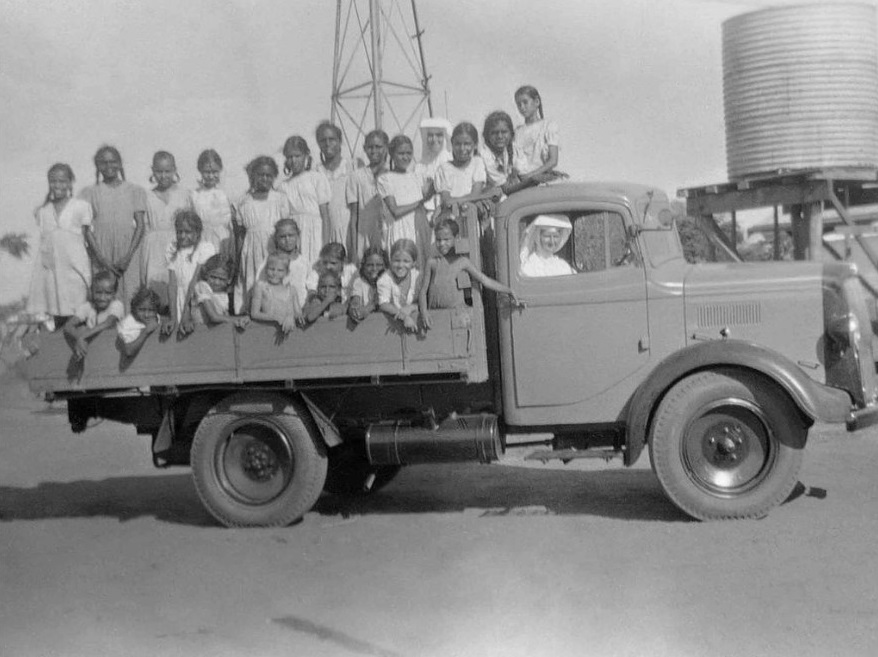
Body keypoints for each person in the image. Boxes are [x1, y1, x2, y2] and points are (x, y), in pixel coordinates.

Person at [419, 218, 519, 329]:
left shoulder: (462, 262)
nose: (442, 244)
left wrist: (508, 290)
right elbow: (423, 290)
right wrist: (424, 311)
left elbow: (484, 280)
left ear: (456, 238)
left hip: (456, 317)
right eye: (438, 240)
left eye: (446, 239)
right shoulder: (432, 262)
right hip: (436, 316)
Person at [80, 145, 147, 308]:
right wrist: (102, 259)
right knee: (104, 295)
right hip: (101, 251)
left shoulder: (134, 190)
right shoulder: (89, 193)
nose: (109, 166)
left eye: (113, 162)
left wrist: (128, 256)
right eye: (103, 163)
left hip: (129, 251)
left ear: (120, 163)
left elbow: (140, 226)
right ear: (97, 166)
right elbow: (86, 230)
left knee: (131, 292)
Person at [27, 163, 93, 328]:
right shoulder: (43, 212)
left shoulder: (81, 206)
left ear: (71, 183)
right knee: (58, 316)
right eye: (53, 181)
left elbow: (89, 241)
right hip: (54, 275)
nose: (58, 185)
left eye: (62, 181)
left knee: (79, 315)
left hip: (76, 271)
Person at [233, 156, 293, 313]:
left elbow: (286, 230)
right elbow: (240, 235)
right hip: (251, 252)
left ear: (274, 177)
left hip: (273, 250)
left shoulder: (280, 199)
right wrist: (239, 259)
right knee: (253, 284)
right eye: (260, 175)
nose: (265, 179)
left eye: (269, 175)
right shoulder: (244, 202)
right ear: (253, 176)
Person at [141, 151, 193, 310]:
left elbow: (192, 223)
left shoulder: (184, 194)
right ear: (153, 171)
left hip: (178, 244)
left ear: (174, 170)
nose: (163, 176)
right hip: (153, 248)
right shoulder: (146, 196)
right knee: (155, 288)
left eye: (167, 171)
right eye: (159, 171)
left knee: (178, 285)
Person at [278, 135, 331, 270]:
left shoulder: (317, 178)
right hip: (294, 234)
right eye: (290, 157)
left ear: (306, 155)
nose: (294, 160)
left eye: (297, 156)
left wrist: (325, 247)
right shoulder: (283, 186)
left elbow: (325, 215)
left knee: (315, 269)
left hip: (315, 231)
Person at [161, 210, 216, 337]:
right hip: (179, 299)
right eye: (179, 232)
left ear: (197, 233)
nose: (183, 236)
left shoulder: (205, 248)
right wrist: (173, 318)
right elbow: (172, 286)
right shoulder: (173, 249)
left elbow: (194, 283)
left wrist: (187, 315)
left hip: (196, 299)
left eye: (188, 232)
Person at [378, 134, 433, 257]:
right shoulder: (385, 179)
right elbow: (395, 211)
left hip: (419, 228)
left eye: (409, 153)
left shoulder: (416, 176)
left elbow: (428, 200)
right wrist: (421, 202)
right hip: (399, 231)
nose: (405, 157)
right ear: (392, 154)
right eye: (401, 153)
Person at [346, 129, 389, 263]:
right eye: (370, 147)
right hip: (364, 237)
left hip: (387, 236)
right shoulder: (356, 176)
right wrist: (353, 250)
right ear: (364, 149)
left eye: (378, 147)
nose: (374, 151)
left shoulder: (392, 175)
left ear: (386, 148)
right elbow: (354, 216)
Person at [314, 121, 356, 256]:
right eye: (323, 140)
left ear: (340, 141)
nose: (327, 144)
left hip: (349, 228)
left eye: (331, 139)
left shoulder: (352, 166)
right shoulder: (316, 172)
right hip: (326, 230)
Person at [63, 271, 125, 360]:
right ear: (92, 291)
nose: (102, 297)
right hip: (96, 352)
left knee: (83, 330)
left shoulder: (117, 305)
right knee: (81, 329)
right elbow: (68, 325)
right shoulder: (88, 306)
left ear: (114, 293)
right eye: (98, 292)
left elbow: (108, 323)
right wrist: (78, 338)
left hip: (113, 351)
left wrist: (83, 336)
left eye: (107, 293)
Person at [191, 149, 235, 261]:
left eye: (214, 172)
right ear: (200, 171)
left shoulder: (225, 193)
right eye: (206, 172)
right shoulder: (195, 195)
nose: (211, 176)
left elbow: (231, 223)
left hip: (223, 239)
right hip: (203, 238)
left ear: (220, 170)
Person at [434, 122, 487, 215]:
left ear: (475, 145)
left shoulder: (477, 163)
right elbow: (446, 200)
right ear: (452, 143)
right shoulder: (444, 169)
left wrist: (454, 200)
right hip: (451, 218)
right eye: (458, 144)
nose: (462, 148)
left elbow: (476, 195)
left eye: (467, 144)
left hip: (472, 216)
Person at [256, 218, 309, 309]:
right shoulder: (269, 262)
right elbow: (260, 287)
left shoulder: (304, 262)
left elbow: (311, 289)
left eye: (291, 235)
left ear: (298, 235)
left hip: (300, 310)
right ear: (276, 238)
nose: (287, 240)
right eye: (282, 237)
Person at [512, 85, 560, 182]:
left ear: (536, 102)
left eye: (525, 102)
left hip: (542, 178)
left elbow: (553, 160)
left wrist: (531, 175)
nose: (522, 107)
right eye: (519, 104)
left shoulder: (548, 126)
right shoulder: (517, 131)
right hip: (521, 180)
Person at [191, 254, 250, 329]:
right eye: (213, 277)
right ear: (206, 274)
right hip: (200, 332)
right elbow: (214, 317)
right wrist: (240, 318)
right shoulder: (202, 286)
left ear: (229, 280)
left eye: (221, 279)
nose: (216, 282)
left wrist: (243, 320)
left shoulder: (225, 295)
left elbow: (225, 317)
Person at [249, 253, 301, 336]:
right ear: (266, 269)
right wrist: (277, 318)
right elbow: (254, 313)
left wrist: (291, 317)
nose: (275, 273)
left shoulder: (292, 290)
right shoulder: (261, 287)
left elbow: (299, 314)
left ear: (287, 272)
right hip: (266, 334)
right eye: (271, 269)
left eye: (280, 270)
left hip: (288, 334)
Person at [377, 238, 420, 333]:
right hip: (391, 327)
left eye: (406, 261)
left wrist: (411, 307)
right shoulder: (385, 279)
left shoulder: (417, 277)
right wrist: (403, 316)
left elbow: (426, 300)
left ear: (414, 263)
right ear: (390, 260)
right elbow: (383, 304)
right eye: (396, 260)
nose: (400, 265)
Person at [414, 117, 453, 215]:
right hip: (425, 213)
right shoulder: (420, 166)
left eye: (439, 135)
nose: (434, 139)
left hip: (447, 212)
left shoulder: (451, 161)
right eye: (430, 135)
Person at [117, 286, 161, 358]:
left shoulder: (155, 317)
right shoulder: (127, 324)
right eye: (142, 310)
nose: (146, 315)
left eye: (151, 310)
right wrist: (145, 331)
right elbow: (128, 351)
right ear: (134, 309)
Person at [348, 246, 387, 323]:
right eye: (370, 265)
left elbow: (381, 302)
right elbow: (356, 299)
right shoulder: (359, 282)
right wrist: (354, 309)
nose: (374, 269)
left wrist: (368, 308)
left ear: (385, 267)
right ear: (363, 266)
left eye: (379, 265)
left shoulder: (389, 282)